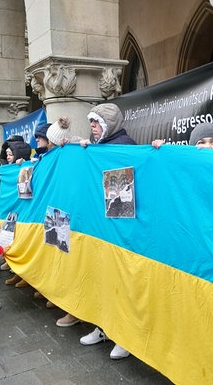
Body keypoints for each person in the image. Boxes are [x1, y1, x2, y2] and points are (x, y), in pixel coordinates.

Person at [59, 103, 135, 360]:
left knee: (121, 283)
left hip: (122, 229)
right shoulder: (97, 148)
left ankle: (125, 336)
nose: (91, 127)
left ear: (109, 124)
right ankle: (103, 327)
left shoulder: (126, 146)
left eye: (96, 123)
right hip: (100, 227)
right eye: (91, 123)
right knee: (103, 280)